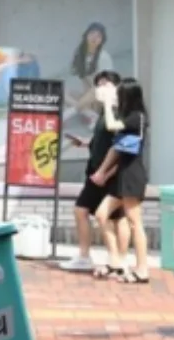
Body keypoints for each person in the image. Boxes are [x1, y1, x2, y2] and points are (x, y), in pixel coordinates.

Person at [62, 70, 131, 274]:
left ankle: (121, 259)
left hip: (111, 174)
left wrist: (108, 173)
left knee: (118, 218)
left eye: (106, 85)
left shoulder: (123, 113)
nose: (100, 89)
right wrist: (86, 143)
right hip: (95, 172)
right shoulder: (104, 112)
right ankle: (84, 256)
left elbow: (123, 147)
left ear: (117, 87)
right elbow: (104, 139)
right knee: (81, 210)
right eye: (98, 85)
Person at [89, 78, 150, 283]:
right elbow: (116, 148)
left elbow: (111, 124)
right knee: (100, 215)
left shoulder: (138, 117)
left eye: (120, 95)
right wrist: (104, 173)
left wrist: (107, 103)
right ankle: (115, 261)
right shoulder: (129, 117)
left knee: (135, 223)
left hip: (133, 175)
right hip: (121, 175)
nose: (118, 98)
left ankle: (142, 269)